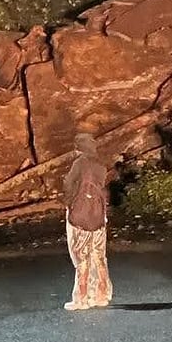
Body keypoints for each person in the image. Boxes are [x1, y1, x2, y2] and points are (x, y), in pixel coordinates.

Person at [62, 133, 112, 311]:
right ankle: (102, 294)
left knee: (81, 256)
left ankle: (81, 298)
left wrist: (69, 203)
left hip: (81, 215)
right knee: (99, 255)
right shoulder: (101, 165)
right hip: (98, 214)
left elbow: (69, 184)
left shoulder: (80, 164)